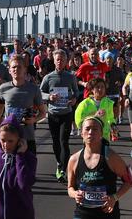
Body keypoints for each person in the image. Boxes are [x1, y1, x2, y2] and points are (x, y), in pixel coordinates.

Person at [67, 116, 132, 219]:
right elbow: (70, 188)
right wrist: (75, 194)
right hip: (82, 214)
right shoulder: (74, 159)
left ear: (101, 134)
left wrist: (114, 198)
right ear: (81, 133)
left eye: (95, 129)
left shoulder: (111, 157)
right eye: (87, 129)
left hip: (107, 214)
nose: (90, 132)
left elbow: (130, 181)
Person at [0, 54, 46, 154]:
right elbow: (0, 106)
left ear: (25, 69)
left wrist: (34, 120)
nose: (16, 69)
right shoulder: (3, 88)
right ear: (9, 70)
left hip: (27, 137)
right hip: (9, 138)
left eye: (19, 67)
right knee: (8, 168)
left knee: (28, 168)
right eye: (14, 67)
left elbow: (43, 113)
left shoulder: (33, 88)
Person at [40, 49, 79, 182]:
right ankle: (59, 163)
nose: (60, 62)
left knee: (64, 141)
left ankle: (63, 169)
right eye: (58, 59)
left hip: (66, 113)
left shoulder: (71, 76)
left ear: (66, 61)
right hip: (53, 114)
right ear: (54, 61)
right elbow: (40, 93)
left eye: (62, 59)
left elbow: (76, 92)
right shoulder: (48, 77)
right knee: (56, 142)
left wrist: (73, 99)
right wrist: (49, 96)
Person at [75, 78, 116, 143]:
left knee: (104, 153)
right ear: (92, 90)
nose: (100, 89)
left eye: (102, 87)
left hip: (104, 136)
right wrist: (94, 116)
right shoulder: (85, 104)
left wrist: (113, 126)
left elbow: (110, 118)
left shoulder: (109, 103)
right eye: (97, 87)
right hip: (89, 136)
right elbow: (79, 121)